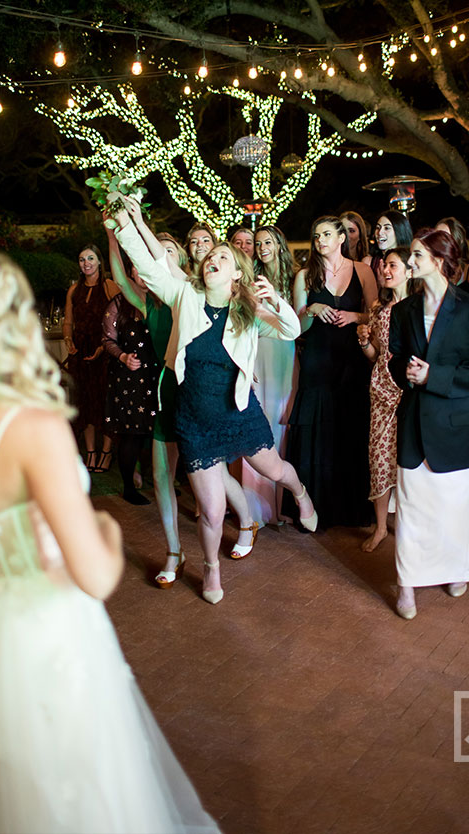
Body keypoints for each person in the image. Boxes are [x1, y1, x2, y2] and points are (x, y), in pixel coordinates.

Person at [0, 249, 221, 834]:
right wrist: (106, 531)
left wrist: (3, 556)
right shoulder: (33, 426)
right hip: (47, 635)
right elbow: (94, 573)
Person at [112, 201, 317, 605]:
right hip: (195, 421)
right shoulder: (185, 295)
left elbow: (291, 330)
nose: (212, 259)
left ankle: (300, 491)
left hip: (239, 414)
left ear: (237, 273)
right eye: (209, 256)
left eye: (222, 256)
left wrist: (274, 299)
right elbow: (151, 265)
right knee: (210, 509)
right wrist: (125, 223)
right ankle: (211, 568)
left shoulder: (250, 313)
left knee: (274, 469)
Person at [388, 228, 469, 619]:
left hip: (457, 425)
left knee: (456, 507)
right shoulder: (403, 311)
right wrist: (407, 371)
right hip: (416, 424)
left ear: (438, 261)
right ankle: (407, 588)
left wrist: (433, 376)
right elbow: (395, 361)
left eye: (417, 256)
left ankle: (456, 569)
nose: (409, 262)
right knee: (412, 511)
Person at [284, 215, 377, 528]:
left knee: (351, 428)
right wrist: (312, 309)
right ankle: (316, 508)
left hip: (352, 359)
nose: (320, 240)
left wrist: (355, 316)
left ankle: (353, 509)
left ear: (341, 237)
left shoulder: (362, 271)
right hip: (318, 359)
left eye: (326, 233)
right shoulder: (304, 276)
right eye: (316, 235)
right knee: (318, 431)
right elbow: (298, 327)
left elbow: (377, 315)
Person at [231, 225, 298, 526]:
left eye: (267, 242)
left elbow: (297, 325)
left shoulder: (294, 277)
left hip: (284, 355)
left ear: (279, 244)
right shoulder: (250, 278)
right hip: (258, 355)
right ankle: (254, 510)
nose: (261, 247)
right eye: (258, 243)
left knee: (278, 428)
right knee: (256, 428)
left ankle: (276, 508)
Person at [357, 247, 413, 551]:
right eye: (384, 266)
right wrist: (365, 342)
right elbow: (376, 356)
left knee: (406, 462)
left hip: (408, 391)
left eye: (393, 265)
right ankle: (380, 528)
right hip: (380, 391)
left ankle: (409, 525)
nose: (386, 271)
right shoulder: (379, 306)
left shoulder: (418, 307)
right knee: (378, 457)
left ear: (409, 269)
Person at [102, 258, 159, 505]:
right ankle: (128, 487)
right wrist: (123, 356)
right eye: (137, 267)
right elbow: (107, 339)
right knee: (132, 434)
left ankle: (161, 483)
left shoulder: (163, 300)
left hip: (157, 375)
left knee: (158, 434)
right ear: (130, 273)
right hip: (131, 377)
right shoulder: (118, 303)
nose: (142, 272)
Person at [63, 244, 119, 471]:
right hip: (80, 352)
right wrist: (68, 340)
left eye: (90, 258)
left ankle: (106, 452)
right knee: (84, 404)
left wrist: (105, 346)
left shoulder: (108, 286)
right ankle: (91, 452)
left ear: (99, 262)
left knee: (103, 404)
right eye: (82, 259)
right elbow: (68, 322)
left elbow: (121, 317)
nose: (86, 263)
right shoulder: (74, 290)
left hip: (103, 352)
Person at [366, 210, 413, 287]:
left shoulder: (412, 261)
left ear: (400, 231)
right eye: (378, 228)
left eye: (387, 228)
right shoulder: (368, 263)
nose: (380, 232)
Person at [435, 217, 469, 292]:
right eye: (436, 236)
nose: (440, 240)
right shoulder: (432, 267)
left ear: (459, 240)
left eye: (446, 236)